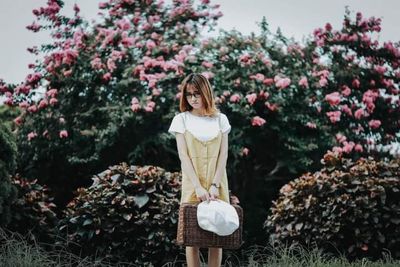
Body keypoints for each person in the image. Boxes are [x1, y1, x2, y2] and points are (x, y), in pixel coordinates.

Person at [168, 73, 231, 267]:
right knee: (191, 236)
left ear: (206, 92)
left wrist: (214, 184)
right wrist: (198, 187)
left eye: (197, 93)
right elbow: (183, 156)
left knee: (217, 235)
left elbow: (223, 155)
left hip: (217, 182)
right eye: (188, 94)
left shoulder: (221, 119)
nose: (193, 98)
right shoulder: (181, 120)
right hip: (192, 184)